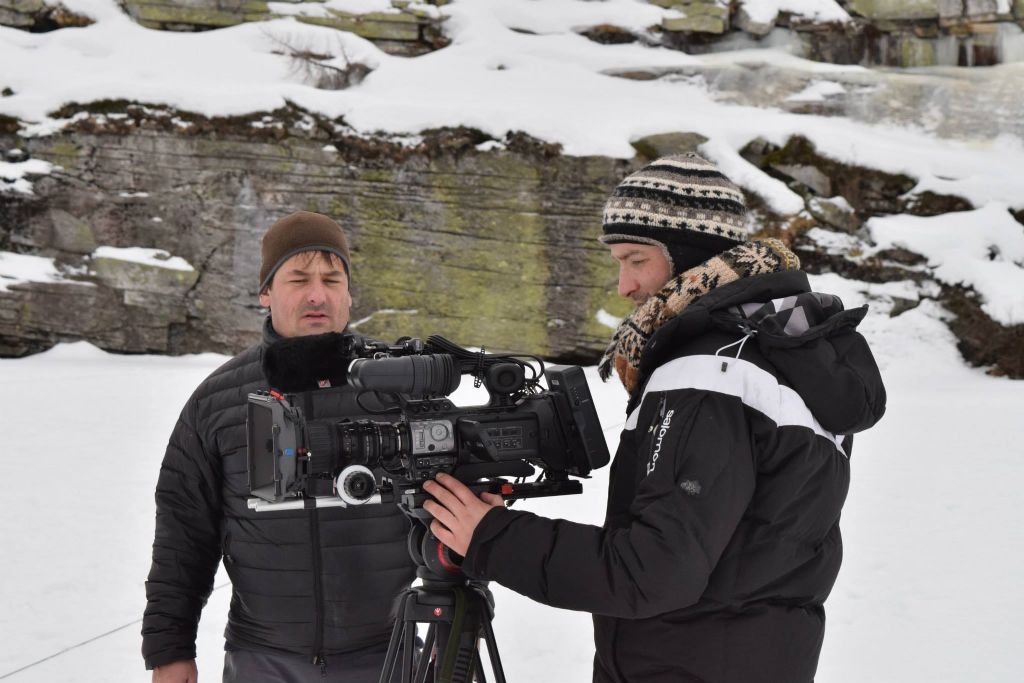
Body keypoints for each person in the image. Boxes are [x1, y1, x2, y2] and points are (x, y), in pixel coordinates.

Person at [422, 154, 886, 682]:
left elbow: (653, 573)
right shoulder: (782, 355)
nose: (624, 286)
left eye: (636, 259)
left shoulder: (708, 374)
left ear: (689, 256)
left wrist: (492, 537)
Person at [142, 211, 416, 682]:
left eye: (333, 279)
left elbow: (460, 519)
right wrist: (170, 649)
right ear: (266, 292)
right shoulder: (218, 401)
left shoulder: (403, 387)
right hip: (262, 659)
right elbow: (183, 534)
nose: (317, 294)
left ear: (349, 293)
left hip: (391, 656)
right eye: (299, 278)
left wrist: (458, 629)